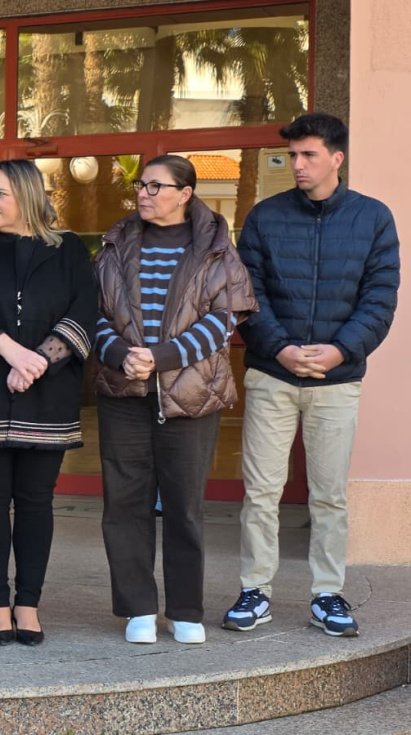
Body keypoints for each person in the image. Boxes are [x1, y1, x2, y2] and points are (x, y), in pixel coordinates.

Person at [225, 112, 399, 637]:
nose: (297, 164)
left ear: (336, 158)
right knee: (261, 491)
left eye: (308, 155)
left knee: (328, 494)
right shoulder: (265, 216)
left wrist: (339, 351)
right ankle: (255, 590)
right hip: (272, 375)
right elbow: (247, 294)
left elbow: (380, 298)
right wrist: (280, 349)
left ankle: (327, 594)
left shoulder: (373, 218)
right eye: (292, 155)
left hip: (337, 381)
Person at [93, 155, 258, 645]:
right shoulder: (115, 243)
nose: (143, 193)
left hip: (190, 395)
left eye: (155, 186)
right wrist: (120, 354)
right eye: (140, 185)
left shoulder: (216, 249)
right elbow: (92, 312)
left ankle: (186, 609)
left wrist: (160, 357)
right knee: (124, 503)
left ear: (185, 194)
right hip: (123, 391)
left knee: (185, 506)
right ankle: (138, 609)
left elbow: (224, 320)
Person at [0, 159, 96, 647]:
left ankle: (28, 604)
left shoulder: (69, 250)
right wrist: (9, 350)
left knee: (35, 502)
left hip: (47, 396)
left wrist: (37, 362)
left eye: (0, 194)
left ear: (27, 195)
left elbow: (84, 312)